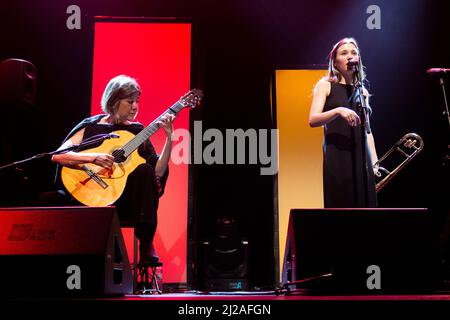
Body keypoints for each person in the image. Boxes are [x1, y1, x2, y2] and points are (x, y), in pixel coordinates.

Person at [51, 74, 174, 263]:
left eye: (137, 101)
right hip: (85, 194)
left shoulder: (137, 131)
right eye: (130, 101)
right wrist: (93, 157)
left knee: (145, 171)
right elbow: (58, 156)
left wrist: (169, 139)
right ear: (114, 100)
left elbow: (157, 172)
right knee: (48, 199)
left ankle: (146, 242)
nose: (135, 106)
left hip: (122, 200)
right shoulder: (90, 126)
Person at [309, 37, 378, 208]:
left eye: (354, 53)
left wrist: (374, 162)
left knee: (365, 204)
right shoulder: (325, 85)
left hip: (361, 155)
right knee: (340, 204)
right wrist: (338, 110)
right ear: (335, 60)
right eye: (344, 53)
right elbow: (313, 119)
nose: (350, 56)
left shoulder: (361, 90)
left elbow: (368, 131)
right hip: (337, 155)